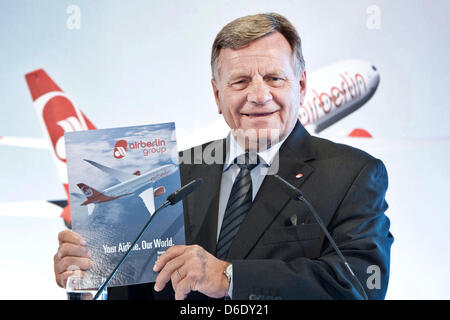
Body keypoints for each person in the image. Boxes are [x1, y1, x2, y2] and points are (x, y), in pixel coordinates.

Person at [54, 12, 393, 300]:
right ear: (217, 95)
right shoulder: (174, 173)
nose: (259, 96)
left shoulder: (354, 174)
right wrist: (90, 280)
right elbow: (148, 288)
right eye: (240, 81)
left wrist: (230, 277)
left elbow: (362, 283)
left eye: (274, 78)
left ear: (301, 86)